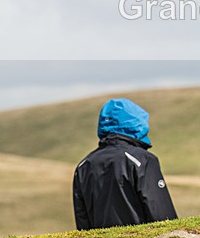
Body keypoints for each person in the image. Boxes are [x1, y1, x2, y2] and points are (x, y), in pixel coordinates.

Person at [73, 98, 177, 229]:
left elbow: (82, 221)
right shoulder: (142, 160)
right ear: (137, 124)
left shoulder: (84, 165)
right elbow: (161, 213)